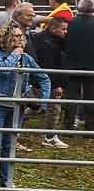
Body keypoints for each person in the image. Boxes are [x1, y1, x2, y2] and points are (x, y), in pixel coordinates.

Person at [0, 25, 51, 189]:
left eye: (21, 36)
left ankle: (6, 180)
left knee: (9, 144)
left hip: (16, 107)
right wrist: (14, 54)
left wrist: (43, 102)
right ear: (5, 38)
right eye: (16, 36)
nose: (20, 39)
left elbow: (44, 78)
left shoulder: (26, 58)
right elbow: (2, 71)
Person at [30, 17, 69, 148]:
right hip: (47, 81)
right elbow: (50, 65)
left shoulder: (46, 39)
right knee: (52, 109)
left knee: (35, 107)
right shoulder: (47, 43)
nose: (65, 32)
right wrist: (57, 85)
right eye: (63, 29)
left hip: (41, 80)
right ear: (53, 28)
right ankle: (50, 137)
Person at [64, 0, 94, 133]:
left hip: (71, 65)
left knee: (71, 97)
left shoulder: (69, 24)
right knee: (91, 97)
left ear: (78, 9)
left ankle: (68, 127)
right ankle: (90, 128)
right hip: (92, 67)